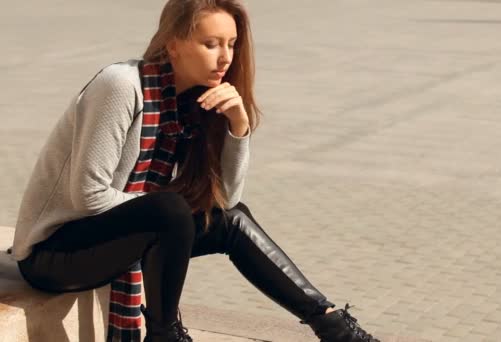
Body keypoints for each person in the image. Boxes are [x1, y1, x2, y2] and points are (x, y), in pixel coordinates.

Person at [10, 0, 381, 341]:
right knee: (170, 209)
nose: (224, 58)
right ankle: (164, 334)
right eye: (211, 44)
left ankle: (332, 325)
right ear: (173, 44)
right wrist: (168, 216)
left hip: (115, 238)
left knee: (230, 220)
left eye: (231, 44)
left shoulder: (194, 101)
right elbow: (89, 195)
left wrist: (238, 125)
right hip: (53, 254)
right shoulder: (120, 85)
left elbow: (228, 199)